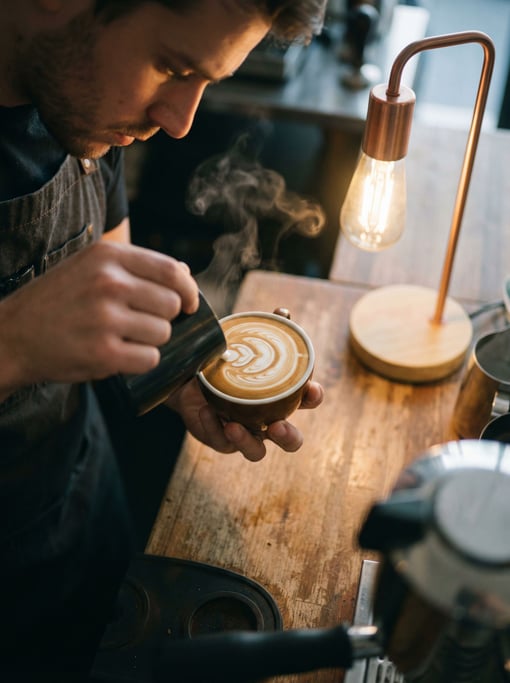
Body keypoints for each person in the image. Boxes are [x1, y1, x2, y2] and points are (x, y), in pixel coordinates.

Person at [0, 0, 326, 679]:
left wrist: (178, 372)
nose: (181, 122)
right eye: (174, 66)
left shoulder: (78, 98)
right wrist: (13, 339)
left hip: (87, 510)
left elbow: (107, 267)